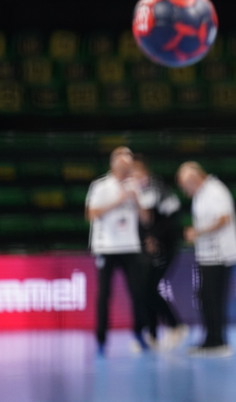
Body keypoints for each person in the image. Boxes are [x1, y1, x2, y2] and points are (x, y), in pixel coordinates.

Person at [86, 146, 150, 356]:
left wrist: (137, 200)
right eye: (122, 165)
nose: (126, 169)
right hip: (107, 247)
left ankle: (139, 333)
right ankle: (101, 338)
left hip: (130, 246)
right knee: (104, 294)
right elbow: (91, 213)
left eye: (129, 165)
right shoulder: (100, 186)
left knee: (138, 292)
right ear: (113, 165)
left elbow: (146, 219)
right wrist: (118, 201)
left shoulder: (135, 187)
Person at [177, 161, 236, 358]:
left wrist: (198, 232)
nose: (185, 190)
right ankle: (211, 340)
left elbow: (224, 219)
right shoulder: (202, 193)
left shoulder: (215, 191)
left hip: (219, 254)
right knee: (206, 298)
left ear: (194, 179)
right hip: (207, 254)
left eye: (185, 185)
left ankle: (217, 341)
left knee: (212, 298)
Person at [131, 157, 189, 350]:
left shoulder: (159, 190)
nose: (135, 176)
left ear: (146, 172)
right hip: (146, 247)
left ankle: (175, 325)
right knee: (145, 290)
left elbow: (172, 218)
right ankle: (153, 334)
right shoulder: (134, 192)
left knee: (148, 288)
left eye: (138, 172)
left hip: (165, 247)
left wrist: (156, 238)